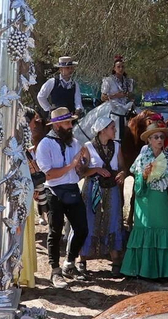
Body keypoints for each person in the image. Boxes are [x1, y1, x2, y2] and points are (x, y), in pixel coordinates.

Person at [121, 115, 168, 279]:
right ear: (149, 140)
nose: (159, 139)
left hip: (162, 201)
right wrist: (143, 176)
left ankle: (165, 272)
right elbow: (137, 183)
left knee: (165, 230)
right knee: (146, 231)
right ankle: (143, 270)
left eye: (161, 137)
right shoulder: (142, 157)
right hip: (145, 201)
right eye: (155, 137)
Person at [35, 106, 91, 278]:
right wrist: (72, 165)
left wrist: (84, 162)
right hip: (54, 191)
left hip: (72, 188)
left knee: (82, 229)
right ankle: (55, 271)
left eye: (71, 122)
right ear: (57, 125)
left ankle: (69, 263)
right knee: (55, 231)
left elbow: (80, 170)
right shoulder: (45, 144)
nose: (71, 125)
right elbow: (49, 174)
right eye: (67, 122)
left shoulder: (73, 142)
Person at [79, 121, 126, 269]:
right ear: (102, 130)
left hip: (112, 187)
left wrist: (123, 173)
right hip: (93, 186)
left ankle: (115, 258)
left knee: (113, 219)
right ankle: (82, 258)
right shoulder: (88, 147)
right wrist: (96, 170)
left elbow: (122, 166)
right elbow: (82, 171)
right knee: (89, 219)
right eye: (112, 128)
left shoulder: (117, 146)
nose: (115, 130)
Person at [99, 55, 137, 140]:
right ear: (114, 68)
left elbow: (131, 95)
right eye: (118, 67)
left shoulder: (128, 81)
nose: (121, 69)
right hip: (113, 107)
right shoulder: (108, 80)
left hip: (125, 107)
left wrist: (128, 95)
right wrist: (116, 95)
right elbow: (102, 97)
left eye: (122, 67)